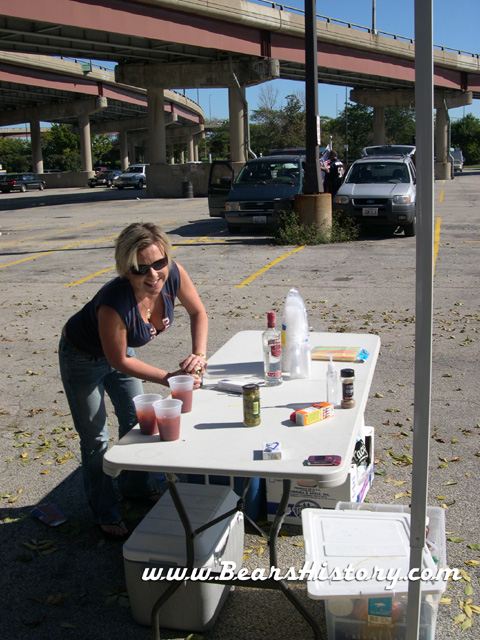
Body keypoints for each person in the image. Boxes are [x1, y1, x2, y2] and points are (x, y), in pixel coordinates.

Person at [58, 222, 208, 538]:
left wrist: (199, 354)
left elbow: (198, 313)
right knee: (96, 439)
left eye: (158, 263)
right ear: (126, 269)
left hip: (119, 348)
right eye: (141, 269)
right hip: (82, 357)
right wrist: (169, 378)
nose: (153, 275)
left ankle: (135, 489)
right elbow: (119, 361)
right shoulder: (114, 302)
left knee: (138, 423)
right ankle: (105, 513)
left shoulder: (174, 274)